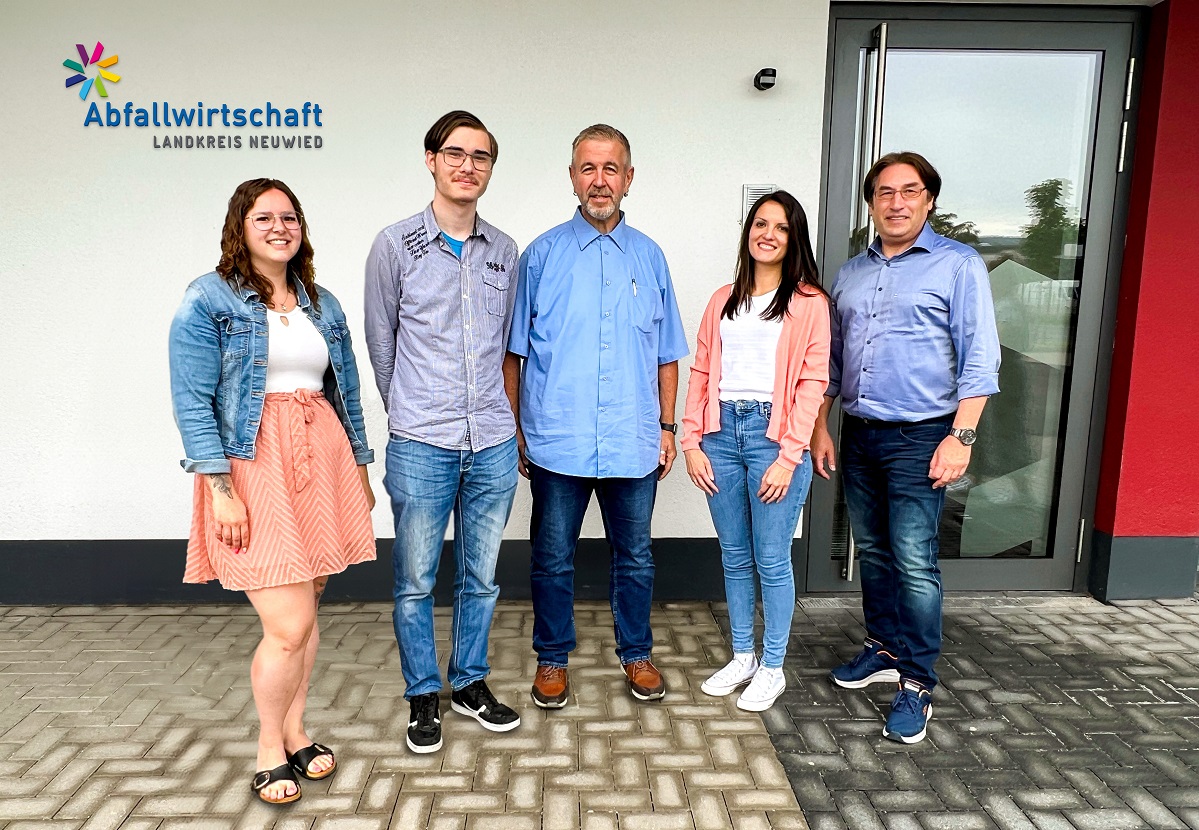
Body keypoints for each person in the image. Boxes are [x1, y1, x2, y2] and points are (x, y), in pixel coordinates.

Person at [169, 178, 377, 805]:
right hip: (253, 466)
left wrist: (361, 467)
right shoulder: (209, 299)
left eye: (290, 217)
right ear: (242, 225)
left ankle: (296, 731)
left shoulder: (322, 301)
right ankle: (267, 747)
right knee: (286, 624)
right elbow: (192, 398)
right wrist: (219, 487)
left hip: (325, 460)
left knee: (309, 606)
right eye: (265, 218)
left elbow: (347, 392)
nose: (281, 227)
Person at [811, 151, 1000, 744]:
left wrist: (961, 437)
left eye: (909, 191)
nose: (896, 203)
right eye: (884, 193)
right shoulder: (850, 273)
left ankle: (917, 682)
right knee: (871, 548)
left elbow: (980, 359)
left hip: (924, 435)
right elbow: (834, 363)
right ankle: (885, 646)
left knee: (915, 560)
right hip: (860, 433)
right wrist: (821, 425)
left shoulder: (958, 266)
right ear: (871, 203)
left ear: (929, 200)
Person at [505, 124, 689, 708]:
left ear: (629, 178)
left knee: (635, 557)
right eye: (589, 168)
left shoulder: (651, 257)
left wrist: (666, 428)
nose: (600, 180)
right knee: (552, 558)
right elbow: (515, 354)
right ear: (572, 177)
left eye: (611, 168)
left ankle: (636, 654)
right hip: (556, 440)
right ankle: (552, 660)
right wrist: (516, 431)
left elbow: (666, 355)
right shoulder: (541, 256)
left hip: (632, 439)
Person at [364, 110, 521, 755]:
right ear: (430, 160)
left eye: (480, 156)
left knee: (481, 578)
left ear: (489, 169)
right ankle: (423, 693)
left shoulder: (504, 251)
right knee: (416, 581)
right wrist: (410, 410)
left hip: (491, 440)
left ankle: (469, 683)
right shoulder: (395, 245)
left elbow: (510, 345)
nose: (467, 166)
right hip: (422, 442)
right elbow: (381, 344)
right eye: (455, 153)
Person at [681, 191, 830, 712]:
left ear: (795, 239)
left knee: (771, 559)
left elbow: (813, 382)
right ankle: (742, 655)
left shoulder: (810, 303)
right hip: (721, 436)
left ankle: (772, 667)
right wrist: (690, 441)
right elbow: (701, 372)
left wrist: (790, 457)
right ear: (748, 231)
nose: (768, 233)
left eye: (781, 227)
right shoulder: (723, 298)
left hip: (773, 438)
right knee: (735, 556)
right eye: (760, 223)